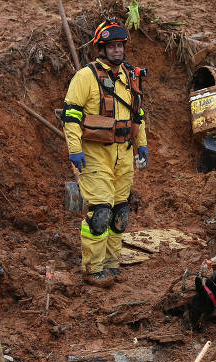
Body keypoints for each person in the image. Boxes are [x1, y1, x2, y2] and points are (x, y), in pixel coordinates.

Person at [62, 18, 148, 287]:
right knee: (100, 211)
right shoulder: (85, 76)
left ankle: (111, 264)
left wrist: (141, 144)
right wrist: (74, 150)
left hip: (123, 154)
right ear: (101, 48)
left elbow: (138, 115)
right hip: (95, 154)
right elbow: (71, 115)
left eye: (120, 45)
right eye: (111, 46)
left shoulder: (129, 76)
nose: (117, 50)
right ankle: (92, 268)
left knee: (120, 212)